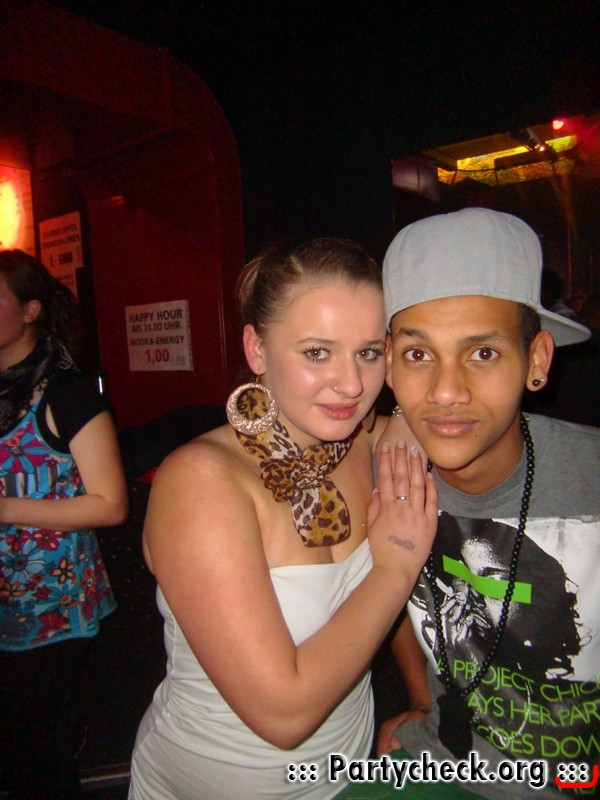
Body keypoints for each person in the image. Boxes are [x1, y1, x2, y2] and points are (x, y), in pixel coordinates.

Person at [128, 237, 438, 799]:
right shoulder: (202, 481)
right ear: (257, 348)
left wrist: (421, 699)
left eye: (369, 352)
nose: (351, 384)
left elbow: (371, 613)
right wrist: (395, 565)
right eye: (317, 352)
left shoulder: (366, 443)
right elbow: (282, 715)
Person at [368, 208, 599, 799]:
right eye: (419, 355)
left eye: (483, 353)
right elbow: (391, 593)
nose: (446, 392)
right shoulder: (385, 475)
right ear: (389, 362)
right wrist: (422, 699)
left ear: (537, 360)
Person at [0, 249, 128, 800]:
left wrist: (6, 508)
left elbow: (110, 504)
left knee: (40, 758)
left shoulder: (66, 392)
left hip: (51, 606)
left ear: (30, 311)